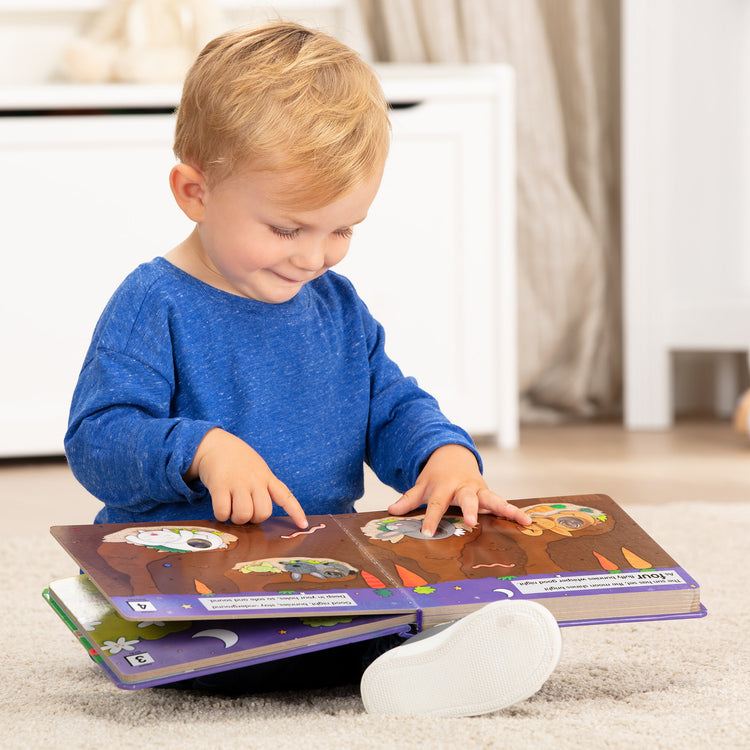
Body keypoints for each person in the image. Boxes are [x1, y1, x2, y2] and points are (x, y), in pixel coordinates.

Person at [64, 21, 561, 716]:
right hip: (186, 588)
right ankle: (389, 671)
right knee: (226, 648)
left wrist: (443, 454)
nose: (315, 256)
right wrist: (200, 449)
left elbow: (388, 403)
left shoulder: (333, 304)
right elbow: (97, 439)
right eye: (288, 229)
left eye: (343, 229)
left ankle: (401, 654)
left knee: (402, 597)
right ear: (194, 193)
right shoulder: (155, 302)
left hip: (317, 579)